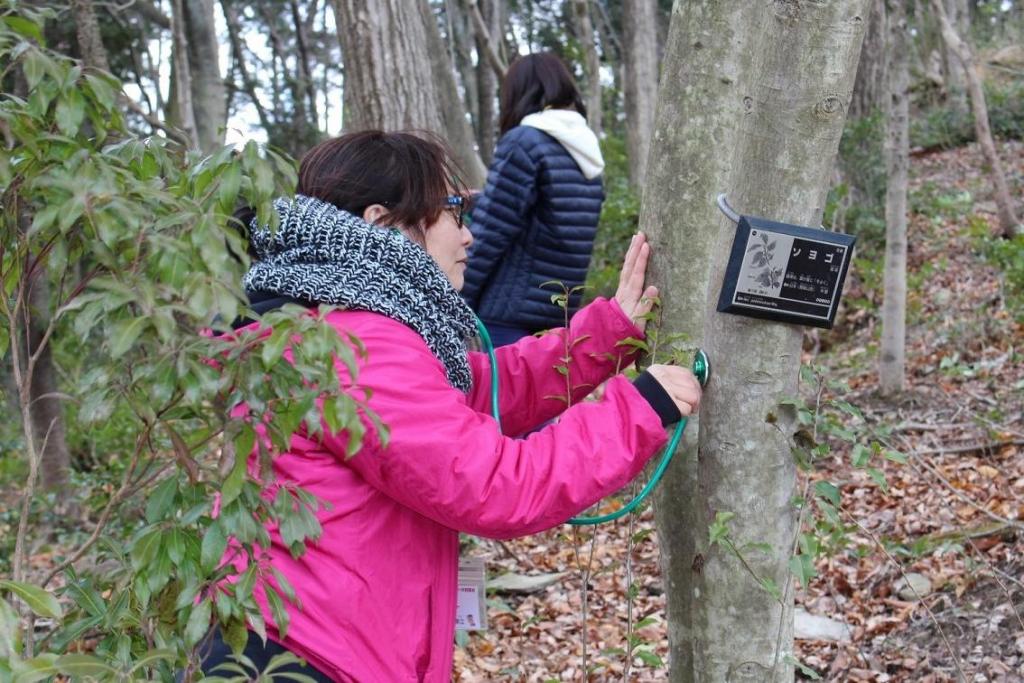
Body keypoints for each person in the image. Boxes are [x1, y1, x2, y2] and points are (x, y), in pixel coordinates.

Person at [209, 130, 701, 682]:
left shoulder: (326, 320)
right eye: (453, 211)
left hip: (306, 640)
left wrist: (607, 334)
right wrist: (640, 408)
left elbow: (483, 388)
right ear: (381, 221)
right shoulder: (355, 342)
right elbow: (493, 486)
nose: (468, 235)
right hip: (309, 660)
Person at [461, 52, 605, 346]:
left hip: (509, 310)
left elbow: (490, 233)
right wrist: (481, 199)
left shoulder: (524, 141)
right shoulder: (584, 147)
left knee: (501, 392)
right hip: (558, 311)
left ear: (519, 91)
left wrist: (457, 299)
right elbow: (550, 214)